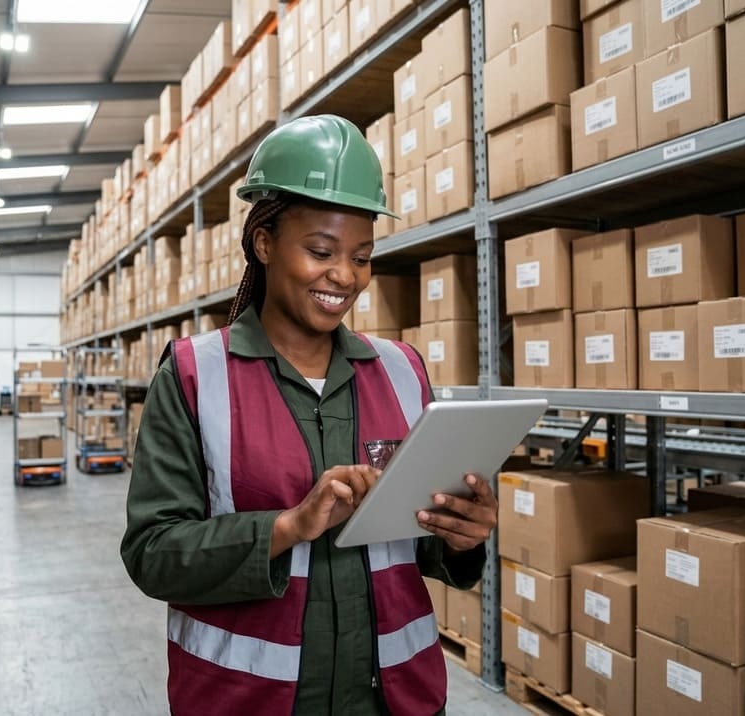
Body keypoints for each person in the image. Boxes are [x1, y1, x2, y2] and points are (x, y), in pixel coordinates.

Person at [121, 114, 498, 716]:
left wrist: (460, 536)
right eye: (321, 251)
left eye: (363, 256)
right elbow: (153, 553)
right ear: (264, 243)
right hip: (251, 702)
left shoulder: (401, 371)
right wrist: (288, 527)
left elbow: (422, 548)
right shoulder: (195, 376)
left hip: (392, 701)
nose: (345, 276)